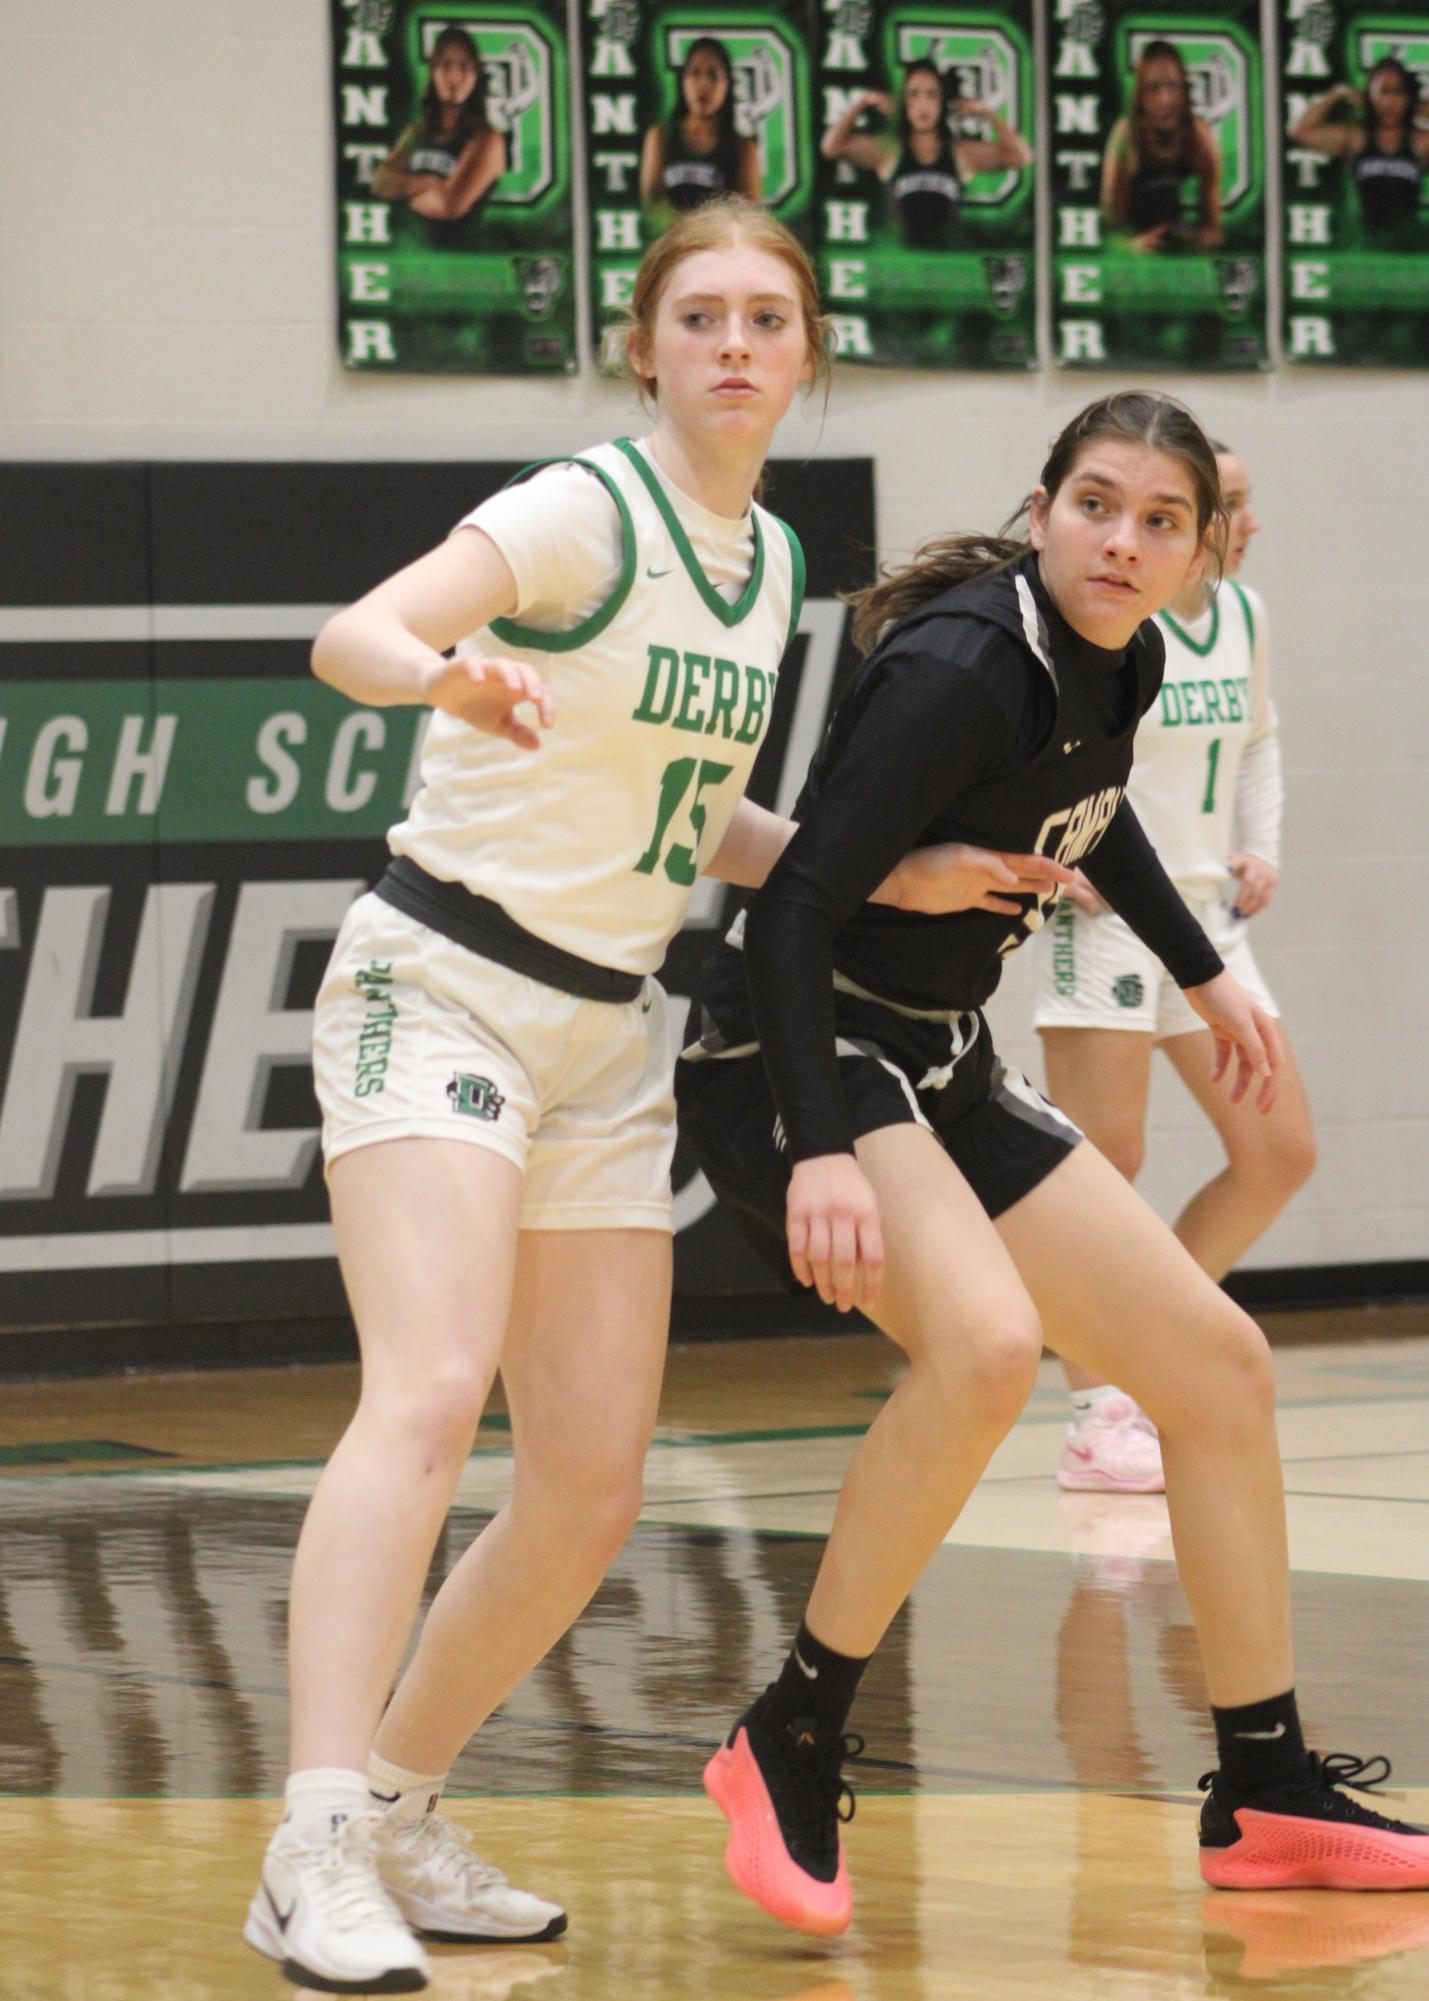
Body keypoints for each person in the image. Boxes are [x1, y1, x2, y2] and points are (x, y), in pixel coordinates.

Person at [243, 194, 1067, 1996]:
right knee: (432, 1387)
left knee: (591, 1483)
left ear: (804, 352)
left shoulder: (768, 568)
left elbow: (691, 813)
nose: (733, 346)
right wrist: (438, 670)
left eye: (767, 318)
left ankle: (396, 1808)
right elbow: (350, 635)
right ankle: (306, 1847)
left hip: (605, 1028)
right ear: (643, 343)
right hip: (441, 980)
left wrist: (878, 868)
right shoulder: (577, 510)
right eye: (698, 315)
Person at [676, 392, 1429, 1938]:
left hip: (937, 1060)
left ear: (1197, 546)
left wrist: (1205, 967)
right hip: (791, 1055)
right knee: (985, 1352)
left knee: (1216, 1367)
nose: (1123, 541)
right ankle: (792, 1728)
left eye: (1160, 521)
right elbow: (798, 909)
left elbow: (1099, 820)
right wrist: (821, 1150)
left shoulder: (1129, 651)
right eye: (1097, 505)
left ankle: (1267, 1782)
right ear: (1042, 509)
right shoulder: (961, 666)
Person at [1033, 445, 1314, 1494]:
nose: (1245, 524)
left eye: (1243, 504)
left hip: (1208, 919)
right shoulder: (1115, 618)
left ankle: (1141, 1343)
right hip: (1104, 917)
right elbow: (1054, 751)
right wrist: (1060, 855)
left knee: (1277, 1148)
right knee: (1103, 1165)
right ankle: (1092, 1411)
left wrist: (1263, 844)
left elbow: (1261, 739)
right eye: (1229, 506)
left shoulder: (1244, 618)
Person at [819, 59, 1032, 251]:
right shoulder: (889, 151)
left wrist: (987, 113)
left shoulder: (960, 154)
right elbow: (831, 147)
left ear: (942, 103)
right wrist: (862, 103)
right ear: (903, 103)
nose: (923, 105)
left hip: (949, 264)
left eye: (932, 94)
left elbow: (1021, 156)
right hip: (900, 264)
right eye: (913, 94)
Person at [372, 27, 507, 249]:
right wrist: (432, 182)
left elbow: (448, 205)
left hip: (462, 268)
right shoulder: (416, 133)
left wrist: (401, 190)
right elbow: (379, 183)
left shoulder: (487, 139)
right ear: (433, 71)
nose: (454, 77)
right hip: (409, 259)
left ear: (475, 74)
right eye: (445, 65)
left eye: (464, 67)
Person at [1101, 40, 1222, 251]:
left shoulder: (1198, 134)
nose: (1165, 99)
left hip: (1178, 236)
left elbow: (1213, 229)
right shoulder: (1126, 136)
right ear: (1140, 95)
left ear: (1184, 91)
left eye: (1172, 87)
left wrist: (1195, 240)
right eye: (1153, 88)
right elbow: (1108, 229)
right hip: (1134, 242)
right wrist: (1134, 245)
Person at [1292, 58, 1429, 243]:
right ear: (1369, 96)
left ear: (1408, 97)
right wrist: (1337, 93)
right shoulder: (1356, 138)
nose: (1389, 102)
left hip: (1407, 245)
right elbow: (1302, 132)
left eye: (1397, 92)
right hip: (1362, 242)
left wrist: (1422, 110)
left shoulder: (1419, 141)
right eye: (1382, 92)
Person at [640, 38, 761, 225]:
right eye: (694, 73)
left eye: (713, 75)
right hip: (672, 245)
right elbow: (651, 205)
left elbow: (749, 217)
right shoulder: (660, 137)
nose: (703, 85)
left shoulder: (743, 147)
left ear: (727, 84)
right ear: (682, 81)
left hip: (719, 248)